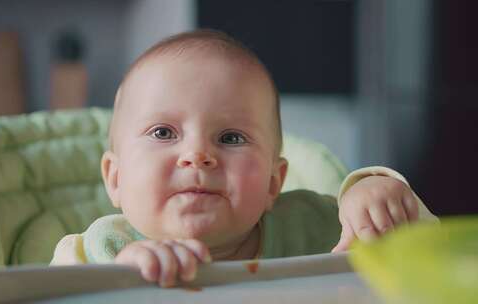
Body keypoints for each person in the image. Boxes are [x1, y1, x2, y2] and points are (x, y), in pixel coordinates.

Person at [51, 29, 437, 287]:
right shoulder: (100, 250)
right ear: (115, 179)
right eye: (163, 133)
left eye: (231, 137)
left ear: (273, 183)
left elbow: (428, 254)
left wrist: (372, 196)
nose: (197, 156)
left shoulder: (312, 228)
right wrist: (121, 281)